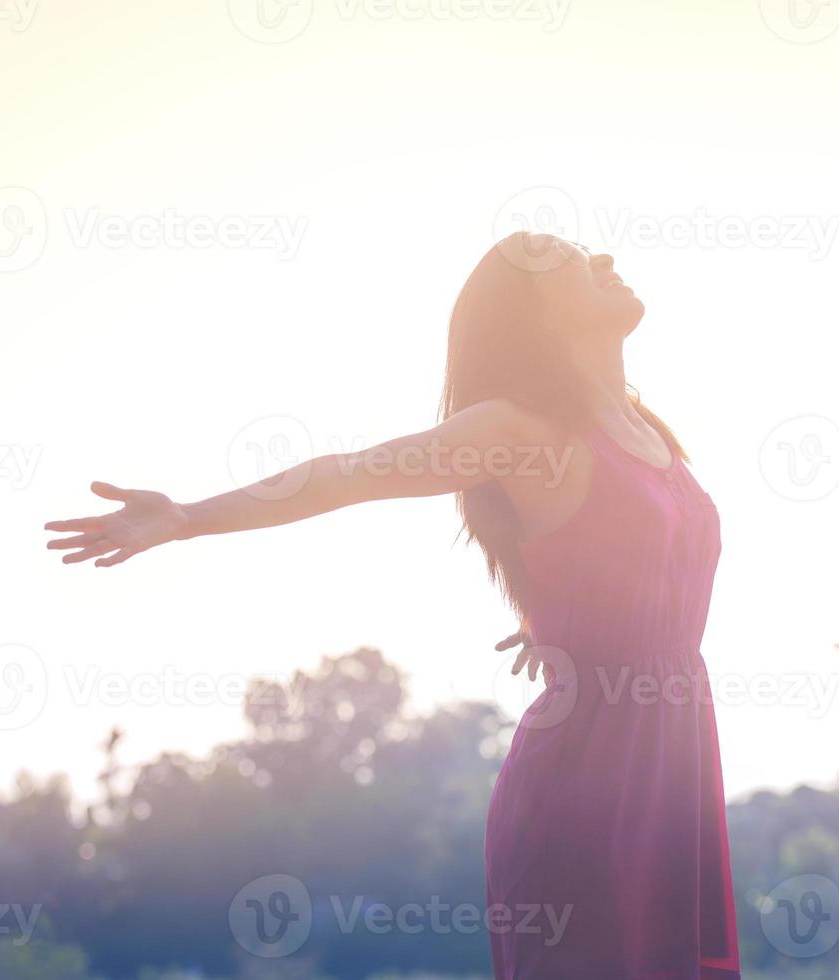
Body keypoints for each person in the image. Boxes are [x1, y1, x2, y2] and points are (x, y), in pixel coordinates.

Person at [45, 231, 741, 979]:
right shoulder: (518, 432)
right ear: (533, 317)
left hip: (675, 768)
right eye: (571, 263)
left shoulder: (647, 429)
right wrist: (188, 515)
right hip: (590, 787)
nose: (603, 261)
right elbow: (349, 475)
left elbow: (628, 557)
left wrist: (564, 617)